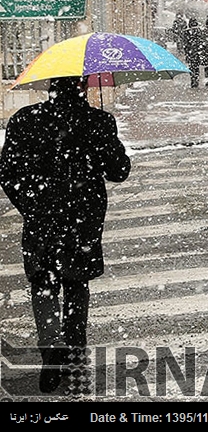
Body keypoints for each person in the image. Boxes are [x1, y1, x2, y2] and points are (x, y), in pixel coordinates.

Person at [0, 77, 131, 394]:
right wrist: (102, 138)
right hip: (82, 219)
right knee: (75, 284)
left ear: (49, 86)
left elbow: (7, 172)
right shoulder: (97, 121)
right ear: (84, 87)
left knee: (43, 282)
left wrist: (31, 205)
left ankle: (51, 344)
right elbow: (119, 170)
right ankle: (73, 354)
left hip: (42, 219)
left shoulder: (25, 120)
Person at [184, 16, 204, 88]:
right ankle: (195, 80)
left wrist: (187, 52)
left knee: (192, 67)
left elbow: (185, 43)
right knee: (195, 68)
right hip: (195, 53)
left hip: (192, 53)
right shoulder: (198, 32)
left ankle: (194, 80)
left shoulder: (187, 32)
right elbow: (201, 42)